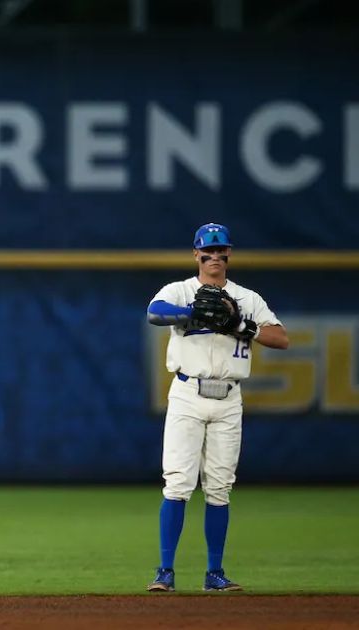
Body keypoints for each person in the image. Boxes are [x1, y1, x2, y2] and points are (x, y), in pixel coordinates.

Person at [143, 222, 289, 592]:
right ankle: (165, 572)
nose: (214, 257)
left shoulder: (247, 299)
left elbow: (280, 337)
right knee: (177, 483)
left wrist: (243, 324)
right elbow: (155, 312)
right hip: (187, 394)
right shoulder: (181, 290)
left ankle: (214, 574)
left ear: (228, 254)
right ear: (196, 255)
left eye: (220, 250)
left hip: (228, 398)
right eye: (207, 251)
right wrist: (191, 315)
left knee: (220, 488)